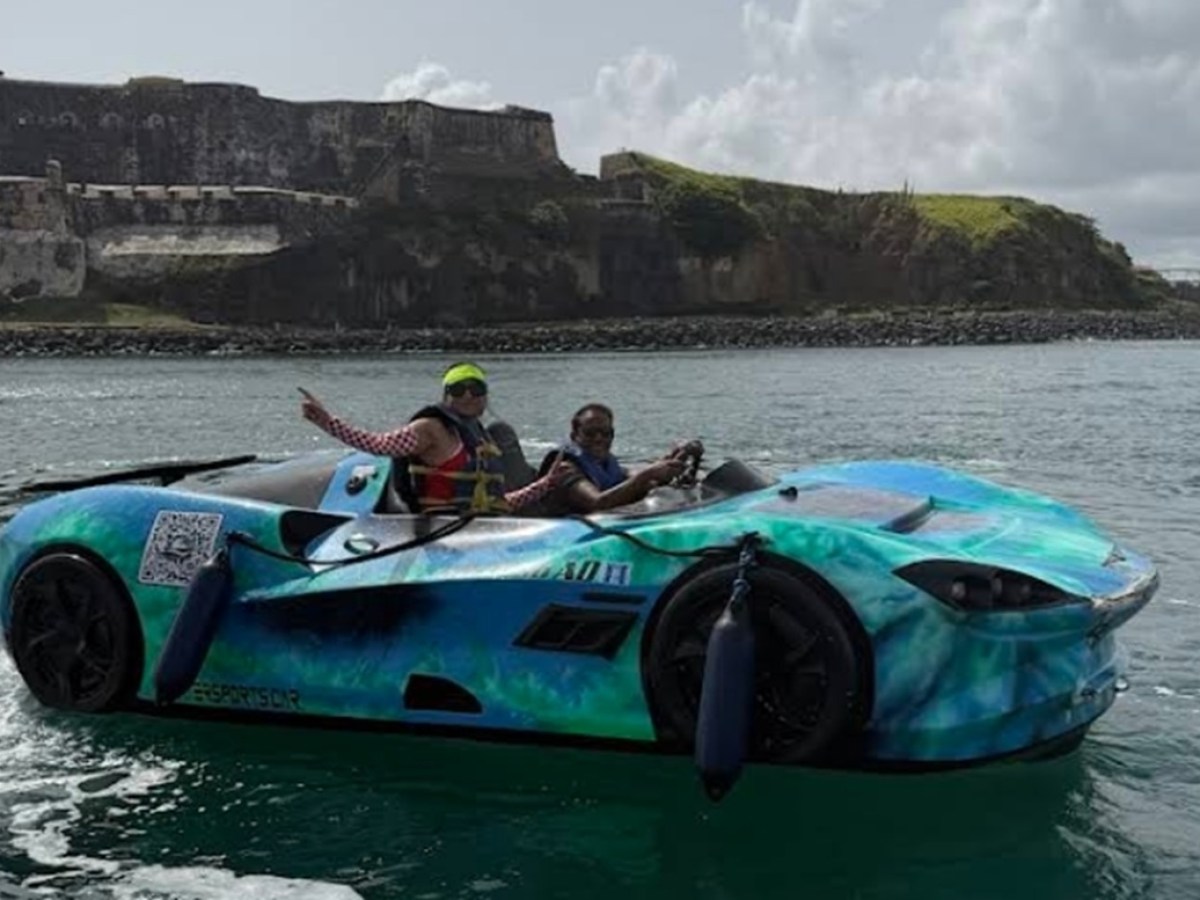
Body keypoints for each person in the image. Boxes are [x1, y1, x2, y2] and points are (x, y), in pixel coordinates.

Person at [299, 362, 567, 515]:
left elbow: (500, 503)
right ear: (446, 396)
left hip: (486, 531)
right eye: (457, 389)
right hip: (445, 533)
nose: (467, 396)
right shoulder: (431, 428)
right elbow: (378, 445)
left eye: (475, 389)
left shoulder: (484, 439)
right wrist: (326, 421)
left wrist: (545, 484)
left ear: (485, 395)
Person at [532, 403, 703, 515]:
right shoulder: (565, 469)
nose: (599, 439)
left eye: (605, 433)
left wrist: (667, 465)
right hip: (560, 539)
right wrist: (648, 474)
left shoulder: (606, 463)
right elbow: (597, 503)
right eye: (590, 433)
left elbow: (633, 476)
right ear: (575, 436)